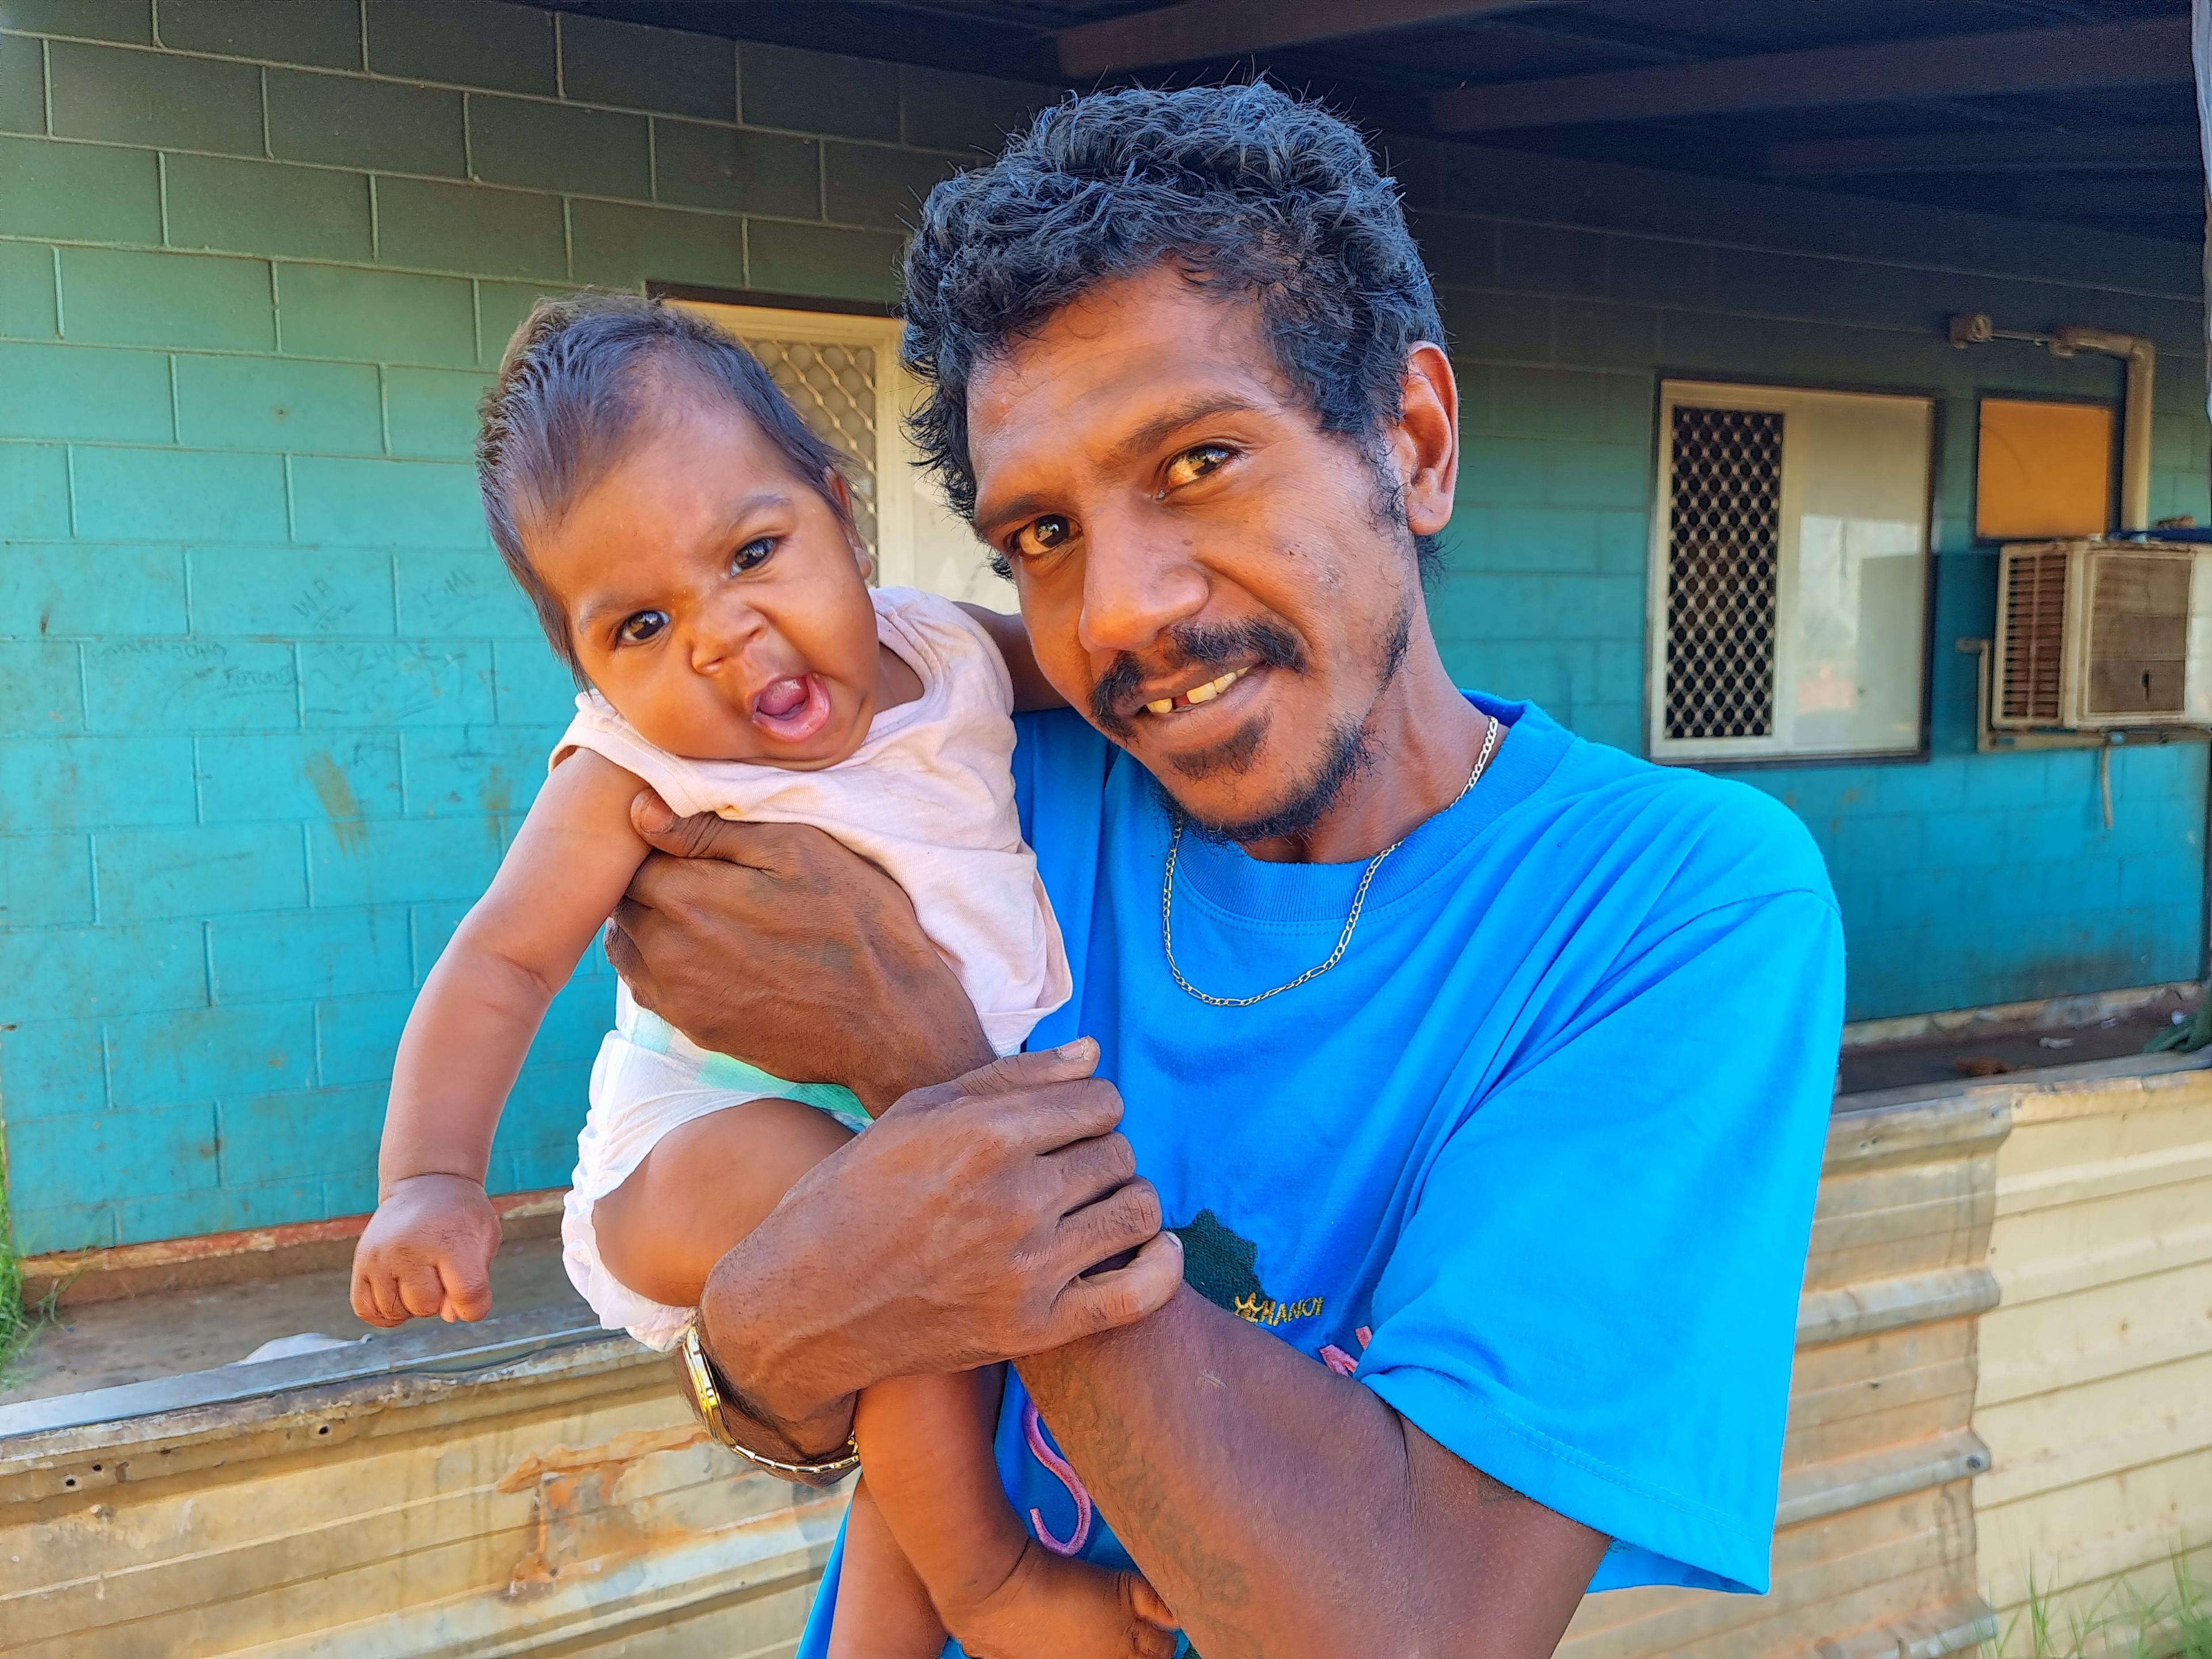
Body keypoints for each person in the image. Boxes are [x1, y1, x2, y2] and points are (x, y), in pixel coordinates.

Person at [603, 82, 1847, 1659]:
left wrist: (920, 1065)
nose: (1117, 608)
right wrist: (751, 1358)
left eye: (1198, 462)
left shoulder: (1664, 906)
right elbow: (781, 1362)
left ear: (1413, 442)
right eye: (1040, 535)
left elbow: (1420, 1621)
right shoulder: (984, 797)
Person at [347, 296, 1176, 1659]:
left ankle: (892, 1628)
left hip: (896, 1127)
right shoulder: (633, 773)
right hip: (697, 1145)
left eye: (752, 553)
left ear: (844, 521)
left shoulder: (952, 654)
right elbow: (500, 958)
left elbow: (1098, 670)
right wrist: (429, 1180)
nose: (723, 638)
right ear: (588, 673)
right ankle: (993, 1586)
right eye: (641, 625)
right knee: (880, 1247)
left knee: (932, 1318)